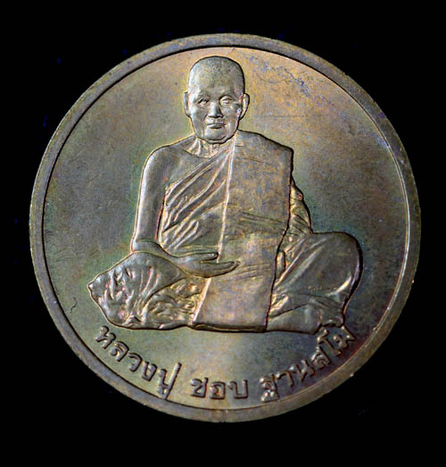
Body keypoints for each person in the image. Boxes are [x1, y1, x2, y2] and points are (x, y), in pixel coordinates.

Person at [88, 56, 362, 334]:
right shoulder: (165, 160)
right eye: (203, 101)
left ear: (243, 105)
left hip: (257, 263)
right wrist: (185, 265)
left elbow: (296, 221)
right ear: (187, 104)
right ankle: (271, 316)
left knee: (341, 248)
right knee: (130, 291)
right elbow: (142, 243)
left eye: (227, 100)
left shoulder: (265, 156)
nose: (215, 112)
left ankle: (243, 307)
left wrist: (279, 252)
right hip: (182, 271)